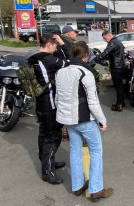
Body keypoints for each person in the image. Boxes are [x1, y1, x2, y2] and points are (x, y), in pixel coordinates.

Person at [55, 41, 113, 202]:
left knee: (75, 151)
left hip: (68, 119)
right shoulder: (85, 73)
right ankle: (96, 189)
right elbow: (93, 101)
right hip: (85, 118)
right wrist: (102, 120)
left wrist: (63, 119)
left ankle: (78, 186)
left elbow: (57, 98)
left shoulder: (61, 72)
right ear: (86, 55)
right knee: (96, 151)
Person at [27, 34, 70, 184]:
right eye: (55, 45)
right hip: (50, 103)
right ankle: (47, 171)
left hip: (41, 102)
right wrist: (63, 44)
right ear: (49, 45)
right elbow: (69, 61)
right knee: (53, 137)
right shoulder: (48, 59)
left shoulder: (34, 56)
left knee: (44, 135)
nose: (56, 47)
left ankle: (49, 162)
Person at [100, 30, 127, 111]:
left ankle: (119, 105)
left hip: (116, 67)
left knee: (118, 86)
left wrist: (98, 57)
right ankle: (121, 102)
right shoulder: (118, 41)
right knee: (121, 86)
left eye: (105, 38)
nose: (104, 40)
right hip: (121, 66)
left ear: (108, 35)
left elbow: (105, 53)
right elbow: (114, 54)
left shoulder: (112, 42)